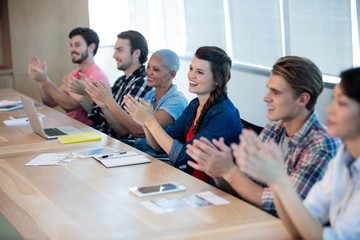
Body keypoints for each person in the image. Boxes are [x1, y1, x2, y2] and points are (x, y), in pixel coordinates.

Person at [186, 56, 340, 215]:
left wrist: (230, 172)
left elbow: (286, 207)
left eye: (276, 92)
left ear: (302, 99)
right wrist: (217, 170)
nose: (266, 98)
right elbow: (242, 188)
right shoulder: (274, 129)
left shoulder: (321, 146)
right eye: (269, 90)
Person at [234, 67, 360, 239]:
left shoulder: (323, 144)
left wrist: (278, 180)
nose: (329, 110)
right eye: (333, 100)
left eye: (342, 103)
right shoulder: (343, 158)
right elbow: (300, 221)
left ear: (302, 99)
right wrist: (276, 181)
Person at [124, 46, 242, 184]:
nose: (191, 75)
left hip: (213, 191)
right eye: (191, 69)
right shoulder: (195, 105)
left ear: (217, 79)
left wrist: (150, 120)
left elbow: (182, 156)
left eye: (200, 72)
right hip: (191, 183)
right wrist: (145, 122)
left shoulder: (223, 115)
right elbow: (157, 146)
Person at [85, 49, 187, 154]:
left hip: (158, 160)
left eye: (156, 69)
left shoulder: (177, 101)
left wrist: (109, 101)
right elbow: (124, 130)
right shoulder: (150, 95)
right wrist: (105, 106)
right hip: (139, 153)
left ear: (171, 75)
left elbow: (139, 131)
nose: (148, 72)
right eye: (148, 67)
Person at [27, 27, 109, 126]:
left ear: (91, 47)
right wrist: (40, 80)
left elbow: (69, 105)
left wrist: (45, 81)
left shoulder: (96, 75)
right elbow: (50, 102)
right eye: (71, 45)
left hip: (87, 131)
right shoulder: (74, 73)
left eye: (77, 45)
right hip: (70, 126)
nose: (72, 49)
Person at [81, 30, 152, 140]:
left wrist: (107, 101)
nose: (114, 55)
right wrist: (90, 95)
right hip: (104, 139)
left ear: (137, 53)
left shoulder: (142, 82)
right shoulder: (121, 80)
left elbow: (124, 130)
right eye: (115, 50)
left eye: (120, 50)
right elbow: (105, 118)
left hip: (120, 146)